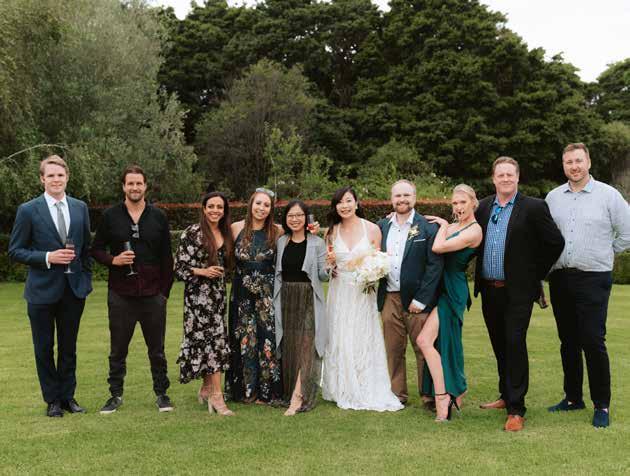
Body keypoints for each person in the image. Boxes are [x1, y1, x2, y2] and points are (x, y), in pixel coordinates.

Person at [474, 156, 565, 431]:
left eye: (509, 174)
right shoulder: (483, 207)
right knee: (499, 344)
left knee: (514, 343)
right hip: (489, 289)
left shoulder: (534, 207)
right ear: (493, 178)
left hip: (518, 292)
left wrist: (533, 274)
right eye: (500, 175)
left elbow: (555, 242)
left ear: (517, 177)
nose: (505, 179)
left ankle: (516, 408)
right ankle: (505, 394)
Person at [545, 143, 630, 428]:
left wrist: (606, 251)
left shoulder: (608, 195)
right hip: (560, 278)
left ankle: (601, 405)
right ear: (563, 165)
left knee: (593, 340)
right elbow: (546, 238)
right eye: (569, 162)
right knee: (568, 341)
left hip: (594, 277)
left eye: (579, 161)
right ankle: (572, 398)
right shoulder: (553, 197)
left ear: (589, 162)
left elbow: (627, 232)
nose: (574, 166)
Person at [9, 155, 92, 417]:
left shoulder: (80, 207)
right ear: (42, 179)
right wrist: (48, 257)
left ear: (67, 177)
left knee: (69, 348)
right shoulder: (28, 210)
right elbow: (15, 250)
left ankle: (68, 397)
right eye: (51, 175)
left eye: (60, 175)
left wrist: (86, 280)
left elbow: (86, 249)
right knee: (44, 348)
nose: (56, 180)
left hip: (73, 290)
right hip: (41, 291)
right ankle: (52, 400)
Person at [91, 165, 174, 414]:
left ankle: (162, 394)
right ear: (123, 186)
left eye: (139, 183)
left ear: (145, 186)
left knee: (157, 350)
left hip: (153, 294)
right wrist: (113, 260)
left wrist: (164, 294)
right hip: (120, 294)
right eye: (130, 183)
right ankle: (115, 395)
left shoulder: (158, 216)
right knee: (118, 349)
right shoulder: (110, 216)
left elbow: (167, 258)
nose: (135, 187)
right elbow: (96, 250)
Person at [322, 186, 403, 412]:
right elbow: (328, 262)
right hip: (339, 291)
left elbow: (379, 259)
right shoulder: (331, 232)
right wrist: (330, 267)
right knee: (340, 335)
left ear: (356, 203)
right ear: (335, 206)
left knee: (362, 335)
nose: (344, 206)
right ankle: (340, 386)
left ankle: (365, 383)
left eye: (348, 200)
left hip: (363, 293)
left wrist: (373, 273)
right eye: (340, 202)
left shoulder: (372, 229)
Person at [416, 184, 482, 421]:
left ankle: (443, 396)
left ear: (473, 203)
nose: (458, 207)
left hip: (453, 290)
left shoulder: (474, 231)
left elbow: (438, 247)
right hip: (439, 287)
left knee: (424, 340)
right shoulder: (454, 226)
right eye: (454, 203)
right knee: (446, 342)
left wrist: (443, 225)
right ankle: (454, 392)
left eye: (463, 202)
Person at [377, 180, 444, 408]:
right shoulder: (382, 226)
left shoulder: (427, 227)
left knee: (423, 347)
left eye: (406, 195)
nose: (402, 199)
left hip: (417, 299)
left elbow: (435, 266)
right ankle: (397, 394)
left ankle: (428, 395)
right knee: (393, 349)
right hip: (389, 297)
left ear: (414, 197)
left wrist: (422, 299)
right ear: (391, 199)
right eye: (397, 196)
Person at [174, 192, 236, 416]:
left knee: (212, 341)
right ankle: (217, 397)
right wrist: (203, 271)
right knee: (212, 342)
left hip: (217, 297)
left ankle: (207, 387)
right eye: (211, 206)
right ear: (203, 208)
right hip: (197, 300)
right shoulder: (192, 232)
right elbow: (178, 268)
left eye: (220, 207)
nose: (215, 210)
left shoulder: (226, 233)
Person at [225, 188, 283, 404]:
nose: (261, 208)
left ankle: (267, 392)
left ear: (271, 209)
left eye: (266, 205)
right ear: (251, 204)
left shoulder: (277, 231)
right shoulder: (236, 228)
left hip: (267, 293)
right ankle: (246, 391)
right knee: (244, 339)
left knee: (267, 338)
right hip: (241, 293)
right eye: (258, 203)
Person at [273, 200, 328, 416]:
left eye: (299, 215)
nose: (295, 219)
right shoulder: (281, 241)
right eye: (291, 215)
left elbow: (322, 275)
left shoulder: (317, 243)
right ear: (285, 219)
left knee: (307, 345)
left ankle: (298, 396)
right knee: (290, 346)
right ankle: (290, 391)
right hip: (286, 299)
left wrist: (330, 266)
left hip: (308, 299)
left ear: (307, 218)